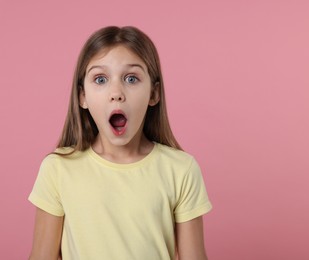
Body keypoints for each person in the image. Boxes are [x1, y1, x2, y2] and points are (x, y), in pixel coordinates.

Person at [28, 26, 212, 260]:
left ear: (154, 94)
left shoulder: (181, 169)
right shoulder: (58, 169)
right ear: (82, 96)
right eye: (101, 79)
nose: (116, 93)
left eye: (131, 78)